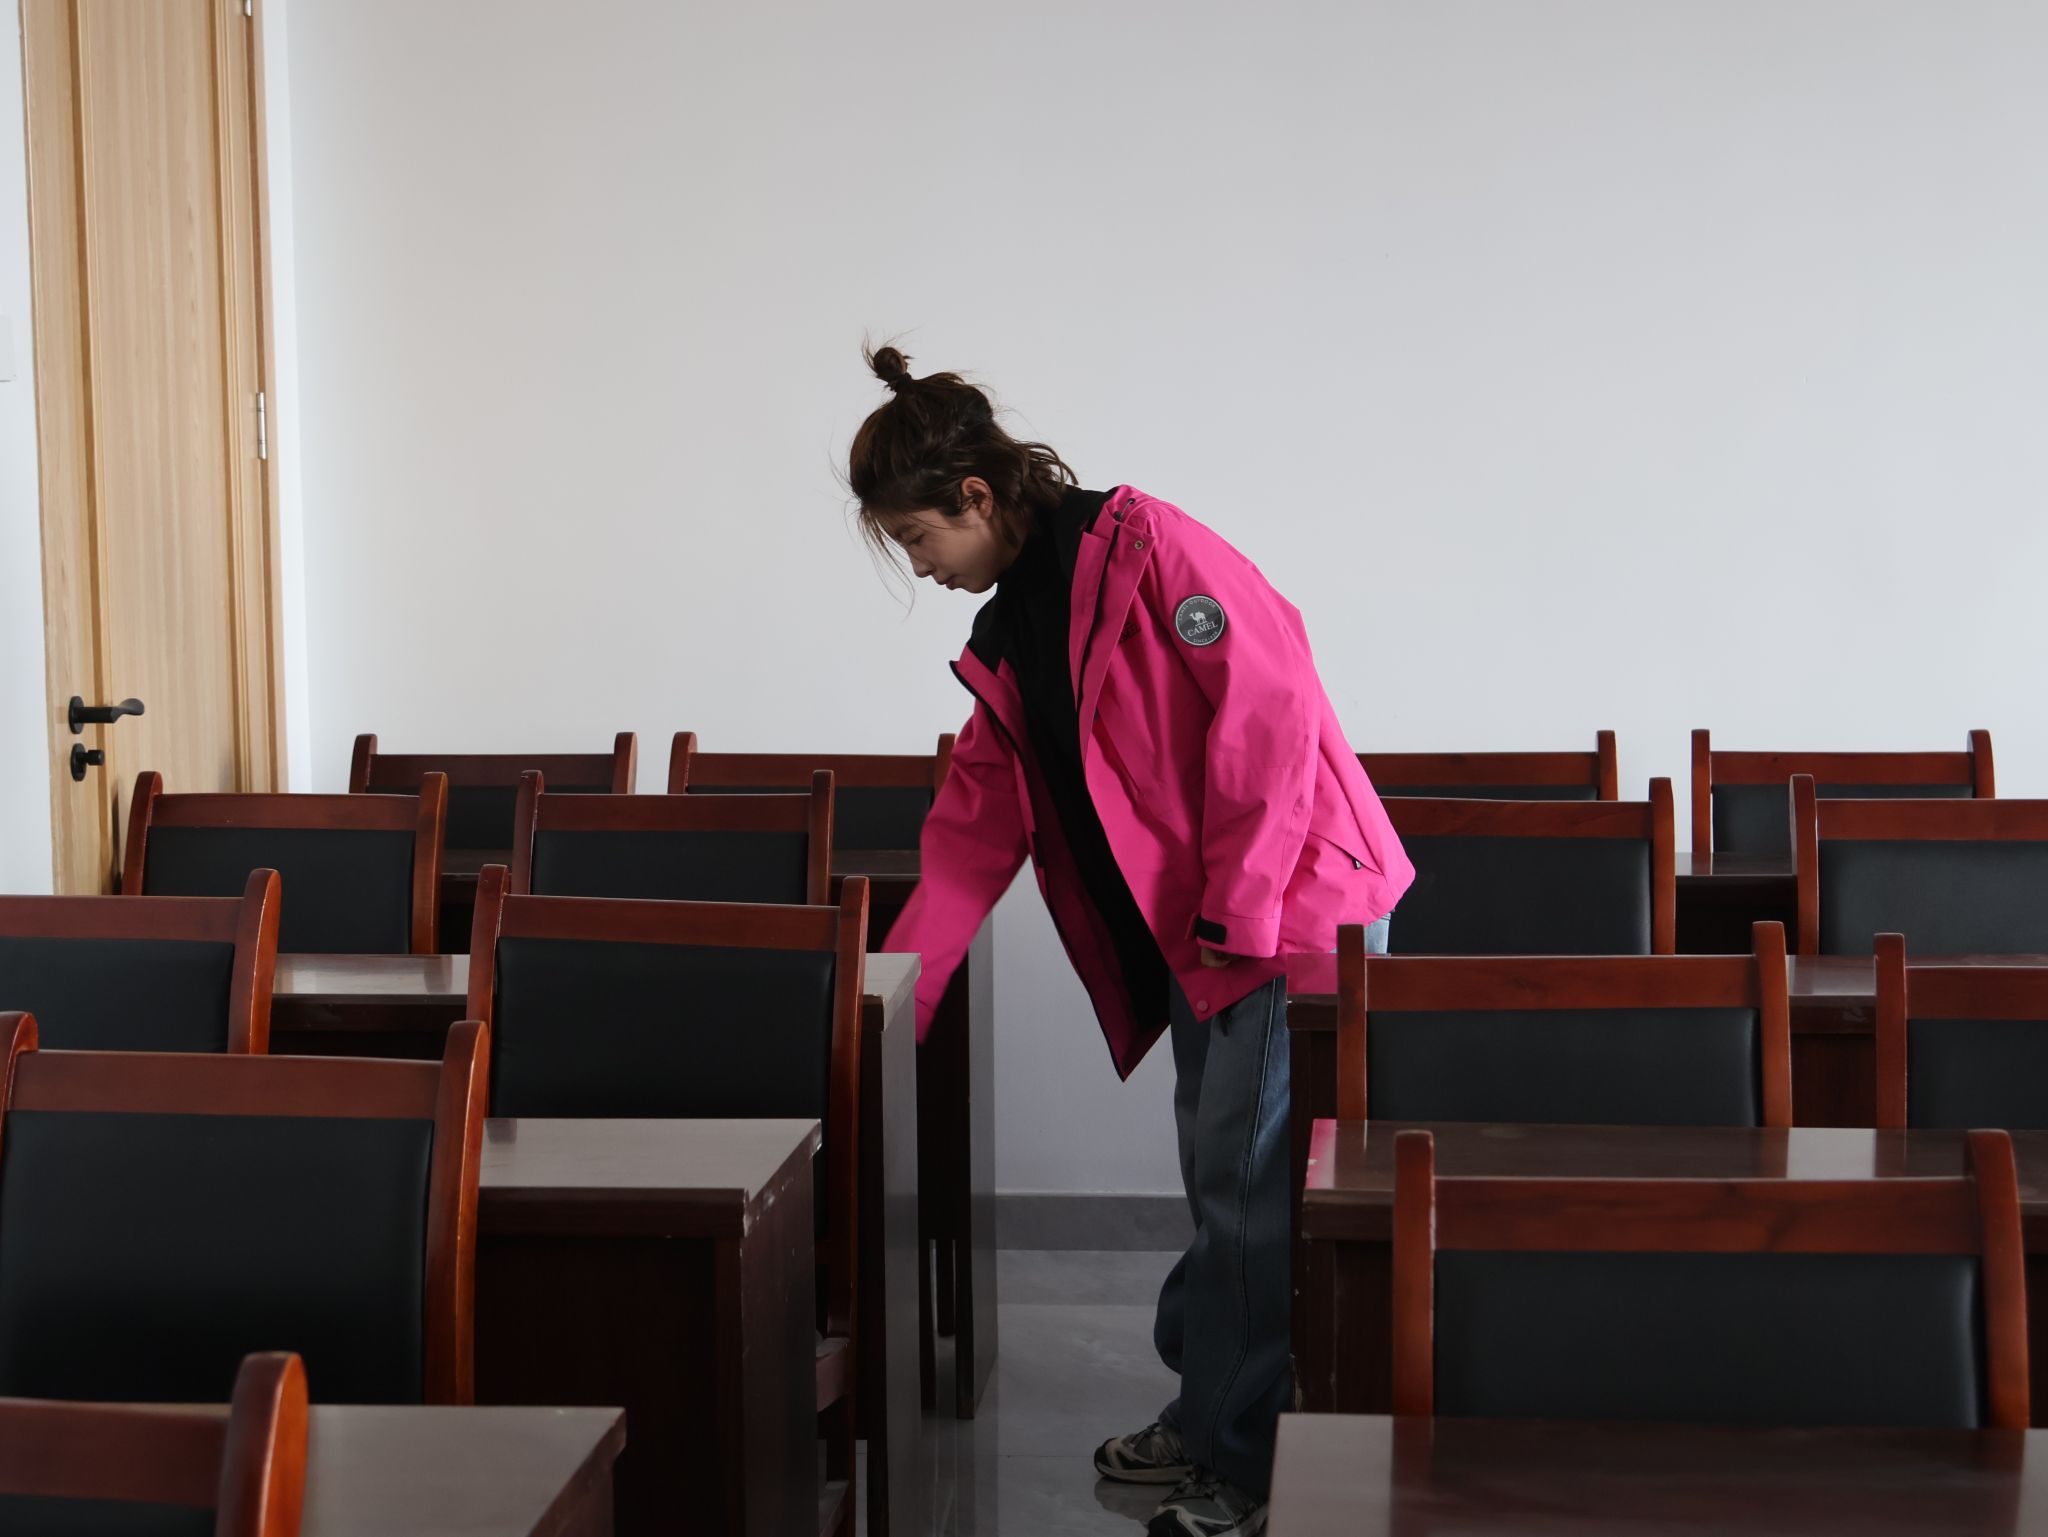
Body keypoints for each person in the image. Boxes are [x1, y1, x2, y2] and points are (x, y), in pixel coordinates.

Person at [850, 343, 1412, 1537]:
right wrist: (894, 998)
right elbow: (972, 829)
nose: (919, 565)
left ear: (975, 496)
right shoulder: (1012, 632)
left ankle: (1247, 1469)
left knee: (1247, 1195)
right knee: (1223, 1187)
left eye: (917, 538)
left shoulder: (1145, 547)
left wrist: (1241, 911)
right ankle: (1210, 1415)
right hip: (1207, 935)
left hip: (1284, 912)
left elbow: (1271, 710)